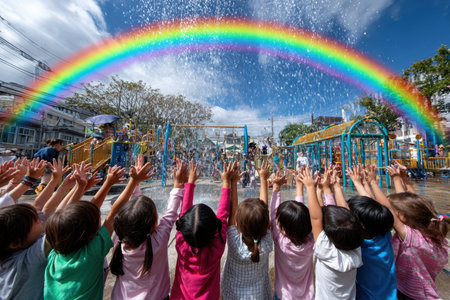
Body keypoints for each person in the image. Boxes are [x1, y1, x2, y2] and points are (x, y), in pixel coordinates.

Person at [44, 155, 153, 299]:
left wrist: (86, 186)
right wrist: (133, 181)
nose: (100, 218)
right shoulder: (91, 254)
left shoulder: (54, 253)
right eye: (97, 219)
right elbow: (114, 213)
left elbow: (65, 219)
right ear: (88, 232)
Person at [368, 164, 449, 300]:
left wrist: (372, 182)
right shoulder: (433, 232)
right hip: (426, 291)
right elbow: (415, 203)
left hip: (411, 295)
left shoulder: (412, 239)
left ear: (404, 216)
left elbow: (389, 208)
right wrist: (400, 179)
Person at [110, 159, 187, 300]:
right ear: (152, 224)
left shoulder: (120, 240)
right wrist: (179, 184)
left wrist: (135, 182)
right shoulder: (157, 241)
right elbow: (170, 214)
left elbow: (133, 214)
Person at [297, 166, 363, 300]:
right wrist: (331, 188)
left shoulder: (326, 251)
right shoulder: (356, 249)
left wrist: (311, 188)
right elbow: (348, 218)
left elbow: (316, 218)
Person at [171, 161, 232, 300]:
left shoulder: (181, 245)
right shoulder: (217, 247)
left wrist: (190, 182)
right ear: (213, 228)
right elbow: (223, 215)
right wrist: (226, 182)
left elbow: (221, 216)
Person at [221, 160, 273, 299]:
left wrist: (233, 182)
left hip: (233, 294)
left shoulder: (234, 242)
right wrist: (263, 179)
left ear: (238, 223)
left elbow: (232, 211)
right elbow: (264, 213)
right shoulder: (267, 243)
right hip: (259, 294)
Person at [346, 165, 397, 300]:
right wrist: (364, 183)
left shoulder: (358, 245)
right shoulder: (384, 235)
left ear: (359, 225)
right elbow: (377, 211)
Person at [270, 169, 315, 300]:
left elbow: (272, 215)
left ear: (283, 230)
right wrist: (300, 187)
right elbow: (300, 217)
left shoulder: (280, 241)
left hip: (283, 295)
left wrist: (276, 188)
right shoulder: (311, 242)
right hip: (308, 296)